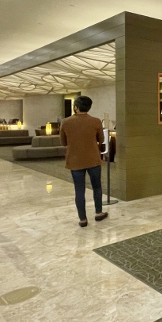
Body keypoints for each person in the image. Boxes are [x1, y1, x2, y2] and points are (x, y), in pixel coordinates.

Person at [60, 96, 108, 227]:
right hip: (93, 159)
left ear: (75, 107)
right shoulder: (96, 121)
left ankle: (82, 219)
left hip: (75, 160)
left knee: (79, 190)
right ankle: (98, 212)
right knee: (97, 187)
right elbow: (101, 139)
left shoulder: (65, 122)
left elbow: (63, 142)